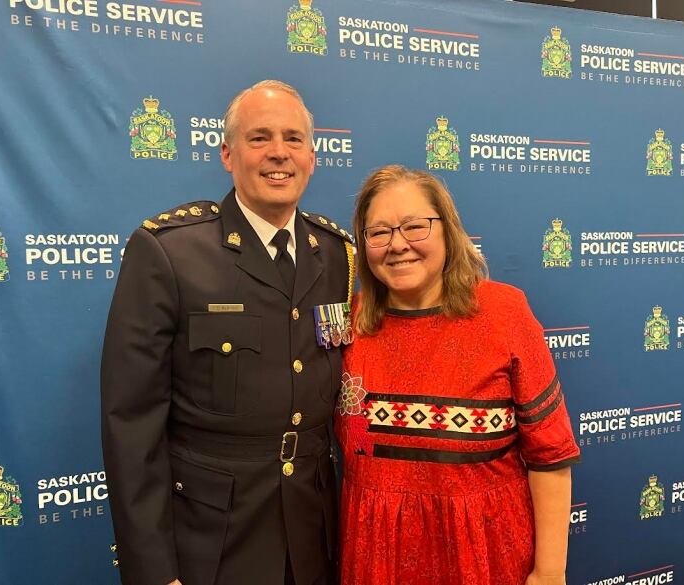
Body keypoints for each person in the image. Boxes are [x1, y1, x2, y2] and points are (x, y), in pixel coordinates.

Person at [101, 80, 354, 585]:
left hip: (315, 531)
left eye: (293, 139)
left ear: (313, 155)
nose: (278, 153)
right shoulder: (170, 252)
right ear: (227, 154)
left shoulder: (336, 254)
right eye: (259, 138)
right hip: (211, 540)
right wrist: (153, 571)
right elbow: (132, 425)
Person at [335, 165, 580, 585]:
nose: (398, 245)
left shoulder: (504, 313)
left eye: (415, 226)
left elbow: (550, 456)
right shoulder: (347, 323)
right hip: (375, 557)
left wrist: (550, 573)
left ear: (447, 230)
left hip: (484, 556)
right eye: (379, 232)